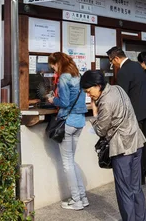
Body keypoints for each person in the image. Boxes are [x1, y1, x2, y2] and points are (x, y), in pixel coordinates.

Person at [81, 70, 146, 221]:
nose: (89, 95)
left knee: (124, 190)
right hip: (137, 142)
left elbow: (101, 130)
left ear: (97, 86)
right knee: (136, 188)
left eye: (89, 91)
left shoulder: (105, 102)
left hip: (122, 148)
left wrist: (94, 112)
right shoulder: (118, 88)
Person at [107, 47, 146, 185]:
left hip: (137, 111)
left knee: (138, 144)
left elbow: (122, 96)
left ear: (116, 58)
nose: (113, 65)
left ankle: (139, 177)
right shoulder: (136, 65)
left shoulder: (123, 71)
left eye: (112, 62)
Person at [46, 52, 89, 210]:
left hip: (67, 122)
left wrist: (52, 100)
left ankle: (77, 200)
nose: (53, 68)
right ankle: (82, 197)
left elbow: (63, 102)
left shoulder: (64, 77)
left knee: (67, 164)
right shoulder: (78, 76)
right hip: (79, 122)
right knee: (71, 161)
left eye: (53, 65)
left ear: (58, 63)